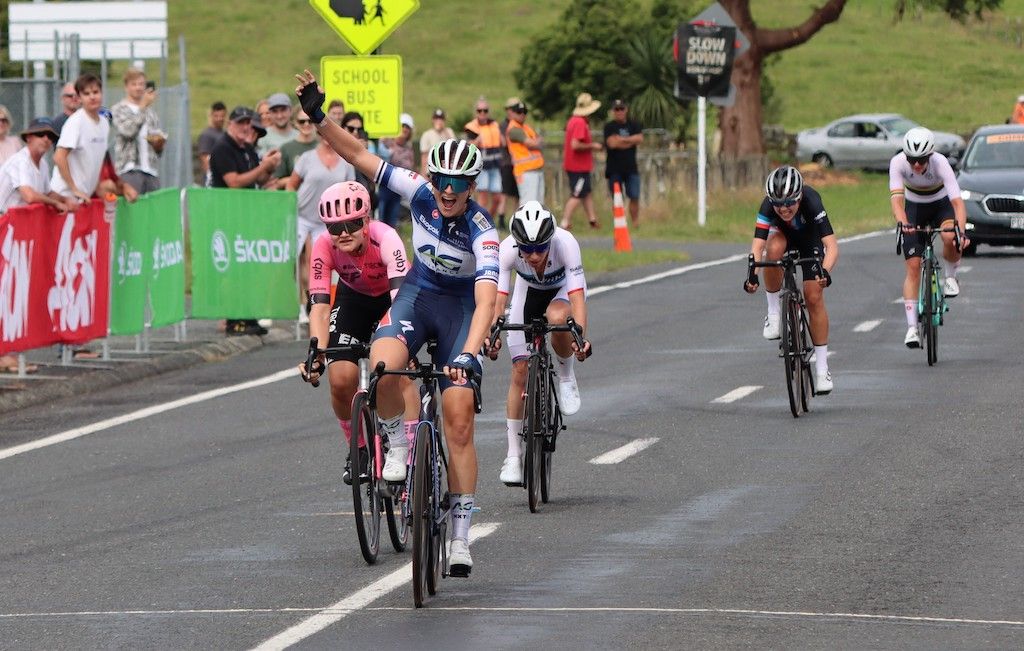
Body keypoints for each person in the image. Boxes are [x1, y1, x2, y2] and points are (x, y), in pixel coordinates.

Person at [296, 69, 499, 575]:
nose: (447, 191)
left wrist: (470, 355)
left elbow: (488, 297)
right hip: (419, 296)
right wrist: (320, 116)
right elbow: (359, 156)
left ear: (471, 185)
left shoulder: (482, 231)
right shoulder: (421, 193)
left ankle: (459, 534)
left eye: (457, 184)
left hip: (461, 314)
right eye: (441, 181)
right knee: (383, 366)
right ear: (431, 178)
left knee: (457, 418)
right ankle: (398, 444)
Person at [297, 181, 419, 484]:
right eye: (335, 227)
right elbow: (320, 307)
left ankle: (412, 449)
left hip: (396, 298)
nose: (343, 233)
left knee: (395, 371)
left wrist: (407, 345)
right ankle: (361, 449)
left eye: (352, 223)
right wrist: (317, 353)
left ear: (366, 220)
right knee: (340, 379)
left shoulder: (387, 238)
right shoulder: (324, 246)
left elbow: (399, 301)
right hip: (355, 300)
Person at [486, 201, 591, 485]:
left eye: (540, 248)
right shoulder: (507, 250)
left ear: (550, 240)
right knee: (519, 370)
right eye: (527, 249)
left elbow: (578, 298)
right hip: (527, 292)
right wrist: (492, 334)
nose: (533, 255)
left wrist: (580, 337)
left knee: (557, 317)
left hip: (560, 293)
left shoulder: (566, 244)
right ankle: (513, 456)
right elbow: (499, 301)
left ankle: (566, 376)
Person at [744, 166, 838, 394]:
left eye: (789, 203)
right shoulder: (768, 206)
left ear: (799, 196)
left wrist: (825, 271)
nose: (783, 209)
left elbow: (832, 246)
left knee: (813, 296)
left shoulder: (812, 200)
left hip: (810, 240)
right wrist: (752, 273)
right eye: (778, 204)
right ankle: (774, 313)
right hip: (783, 239)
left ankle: (822, 369)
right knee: (772, 248)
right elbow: (758, 245)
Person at [889, 126, 969, 348]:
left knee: (948, 235)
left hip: (941, 206)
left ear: (930, 155)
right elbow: (897, 200)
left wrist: (960, 232)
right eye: (912, 159)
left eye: (922, 160)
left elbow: (957, 203)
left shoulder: (940, 163)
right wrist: (903, 222)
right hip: (915, 207)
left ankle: (951, 277)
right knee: (913, 267)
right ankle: (912, 328)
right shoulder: (897, 163)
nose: (916, 164)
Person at [208, 106, 281, 337]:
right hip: (228, 215)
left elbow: (257, 176)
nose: (246, 127)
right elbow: (234, 182)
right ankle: (233, 317)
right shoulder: (223, 148)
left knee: (247, 268)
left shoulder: (246, 148)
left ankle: (247, 314)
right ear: (231, 124)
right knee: (232, 269)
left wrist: (269, 168)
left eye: (248, 123)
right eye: (241, 122)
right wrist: (263, 167)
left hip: (246, 217)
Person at [285, 129, 356, 322]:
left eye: (329, 134)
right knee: (295, 261)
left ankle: (318, 304)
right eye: (322, 134)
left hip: (327, 221)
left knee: (318, 262)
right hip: (302, 216)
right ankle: (300, 307)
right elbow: (291, 184)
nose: (326, 138)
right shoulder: (307, 158)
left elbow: (351, 190)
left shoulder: (345, 161)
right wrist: (290, 208)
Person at [51, 73, 137, 204]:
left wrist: (119, 187)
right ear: (79, 98)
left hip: (84, 198)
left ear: (101, 94)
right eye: (86, 94)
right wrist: (74, 189)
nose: (92, 97)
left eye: (95, 92)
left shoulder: (103, 124)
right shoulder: (76, 122)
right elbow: (58, 157)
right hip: (65, 197)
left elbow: (93, 162)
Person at [0, 117, 76, 213]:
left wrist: (65, 199)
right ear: (28, 138)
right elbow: (29, 196)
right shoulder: (21, 160)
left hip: (13, 220)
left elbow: (48, 193)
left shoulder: (43, 163)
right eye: (40, 134)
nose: (46, 139)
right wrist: (55, 203)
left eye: (50, 136)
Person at [111, 68, 165, 195]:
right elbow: (128, 132)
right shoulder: (118, 109)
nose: (138, 88)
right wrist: (142, 107)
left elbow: (158, 149)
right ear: (126, 87)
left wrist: (159, 144)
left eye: (141, 84)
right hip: (130, 170)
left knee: (153, 213)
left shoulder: (151, 112)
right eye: (134, 84)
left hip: (151, 171)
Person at [561, 92, 603, 230]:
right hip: (577, 166)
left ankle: (592, 219)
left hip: (579, 166)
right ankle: (565, 221)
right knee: (577, 194)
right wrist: (593, 146)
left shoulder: (573, 120)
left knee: (586, 192)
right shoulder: (579, 123)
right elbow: (575, 145)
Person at [603, 98, 643, 227]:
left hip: (631, 168)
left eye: (622, 109)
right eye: (616, 109)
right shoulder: (609, 126)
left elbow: (639, 138)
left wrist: (622, 139)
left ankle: (635, 223)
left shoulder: (634, 124)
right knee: (617, 198)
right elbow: (612, 143)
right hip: (614, 169)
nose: (619, 112)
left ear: (626, 109)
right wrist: (630, 141)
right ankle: (619, 223)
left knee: (634, 195)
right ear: (613, 111)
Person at [465, 97, 503, 227]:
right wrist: (477, 141)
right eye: (479, 110)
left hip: (495, 166)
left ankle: (487, 221)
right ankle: (478, 225)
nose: (482, 113)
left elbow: (502, 141)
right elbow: (469, 145)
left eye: (485, 110)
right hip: (482, 167)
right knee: (483, 197)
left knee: (498, 198)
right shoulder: (472, 127)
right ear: (476, 112)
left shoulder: (495, 125)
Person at [376, 112, 415, 228]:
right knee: (380, 219)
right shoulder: (385, 142)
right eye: (402, 125)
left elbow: (410, 167)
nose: (404, 129)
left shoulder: (409, 149)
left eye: (407, 127)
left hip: (397, 190)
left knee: (392, 223)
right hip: (383, 188)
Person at [505, 99, 544, 204]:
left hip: (536, 170)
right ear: (512, 113)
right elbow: (533, 143)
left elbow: (540, 141)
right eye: (519, 112)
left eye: (524, 112)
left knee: (539, 205)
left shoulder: (526, 127)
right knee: (529, 204)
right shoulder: (514, 129)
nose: (522, 114)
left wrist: (536, 142)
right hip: (526, 172)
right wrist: (536, 142)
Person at [274, 107, 319, 189]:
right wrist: (296, 179)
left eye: (310, 121)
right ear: (295, 123)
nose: (306, 124)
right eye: (302, 121)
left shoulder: (321, 146)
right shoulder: (286, 148)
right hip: (294, 197)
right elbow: (276, 182)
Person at [498, 98, 521, 226]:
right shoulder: (504, 125)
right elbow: (503, 142)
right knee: (505, 192)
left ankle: (516, 220)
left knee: (517, 194)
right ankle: (501, 219)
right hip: (507, 162)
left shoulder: (519, 125)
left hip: (518, 163)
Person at [196, 101, 227, 182]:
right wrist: (211, 178)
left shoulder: (225, 133)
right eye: (216, 116)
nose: (219, 119)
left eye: (222, 116)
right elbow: (204, 158)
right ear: (211, 116)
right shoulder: (206, 135)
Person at [419, 108, 455, 176]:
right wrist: (423, 175)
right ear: (433, 120)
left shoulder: (449, 131)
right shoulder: (427, 134)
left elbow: (454, 148)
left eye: (441, 119)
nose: (439, 121)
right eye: (436, 118)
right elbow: (424, 157)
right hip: (431, 172)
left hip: (447, 170)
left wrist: (444, 130)